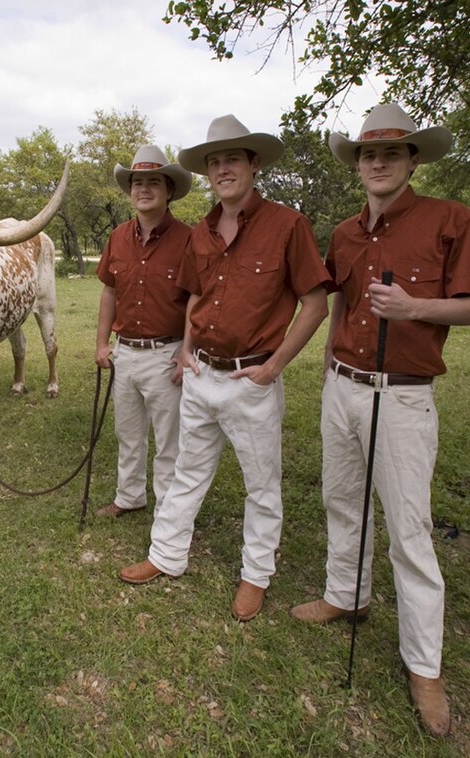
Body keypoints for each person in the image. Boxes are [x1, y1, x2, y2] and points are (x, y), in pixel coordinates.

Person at [289, 103, 470, 737]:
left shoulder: (448, 220)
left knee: (409, 529)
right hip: (343, 388)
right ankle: (346, 595)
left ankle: (424, 666)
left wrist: (414, 308)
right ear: (357, 164)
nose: (377, 162)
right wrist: (328, 362)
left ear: (412, 160)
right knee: (341, 501)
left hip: (403, 396)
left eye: (391, 152)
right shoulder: (346, 232)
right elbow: (341, 299)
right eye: (366, 154)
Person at [118, 115, 331, 625]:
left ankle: (255, 575)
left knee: (262, 485)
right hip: (200, 375)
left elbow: (316, 303)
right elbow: (196, 294)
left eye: (232, 158)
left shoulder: (288, 225)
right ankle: (166, 554)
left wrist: (274, 365)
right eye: (214, 161)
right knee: (189, 471)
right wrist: (188, 350)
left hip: (250, 379)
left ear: (254, 164)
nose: (222, 169)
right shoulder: (205, 230)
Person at [94, 145, 193, 518]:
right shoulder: (118, 236)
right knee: (128, 433)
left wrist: (187, 351)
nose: (144, 189)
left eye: (153, 181)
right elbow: (109, 291)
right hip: (126, 352)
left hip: (166, 353)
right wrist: (102, 342)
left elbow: (196, 298)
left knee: (169, 440)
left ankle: (168, 510)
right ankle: (129, 496)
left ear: (169, 190)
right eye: (137, 182)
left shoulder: (188, 239)